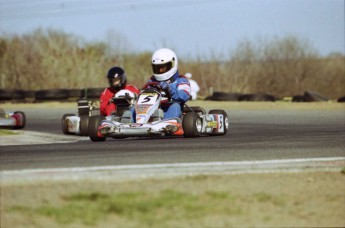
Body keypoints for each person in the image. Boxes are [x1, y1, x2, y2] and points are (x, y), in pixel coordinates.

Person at [142, 48, 191, 121]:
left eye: (163, 67)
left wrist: (170, 90)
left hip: (171, 110)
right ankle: (128, 124)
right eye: (157, 68)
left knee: (175, 106)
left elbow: (184, 95)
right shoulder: (152, 81)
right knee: (134, 108)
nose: (160, 70)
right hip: (151, 111)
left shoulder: (180, 81)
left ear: (172, 65)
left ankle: (165, 125)